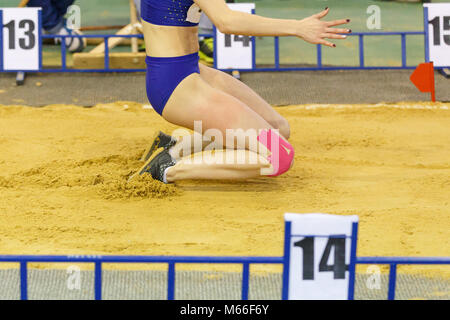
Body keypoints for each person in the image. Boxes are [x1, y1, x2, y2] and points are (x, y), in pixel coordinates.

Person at [132, 0, 351, 184]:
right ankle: (166, 169)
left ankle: (174, 148)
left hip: (188, 70)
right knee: (279, 157)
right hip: (176, 85)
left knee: (279, 128)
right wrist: (297, 27)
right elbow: (226, 21)